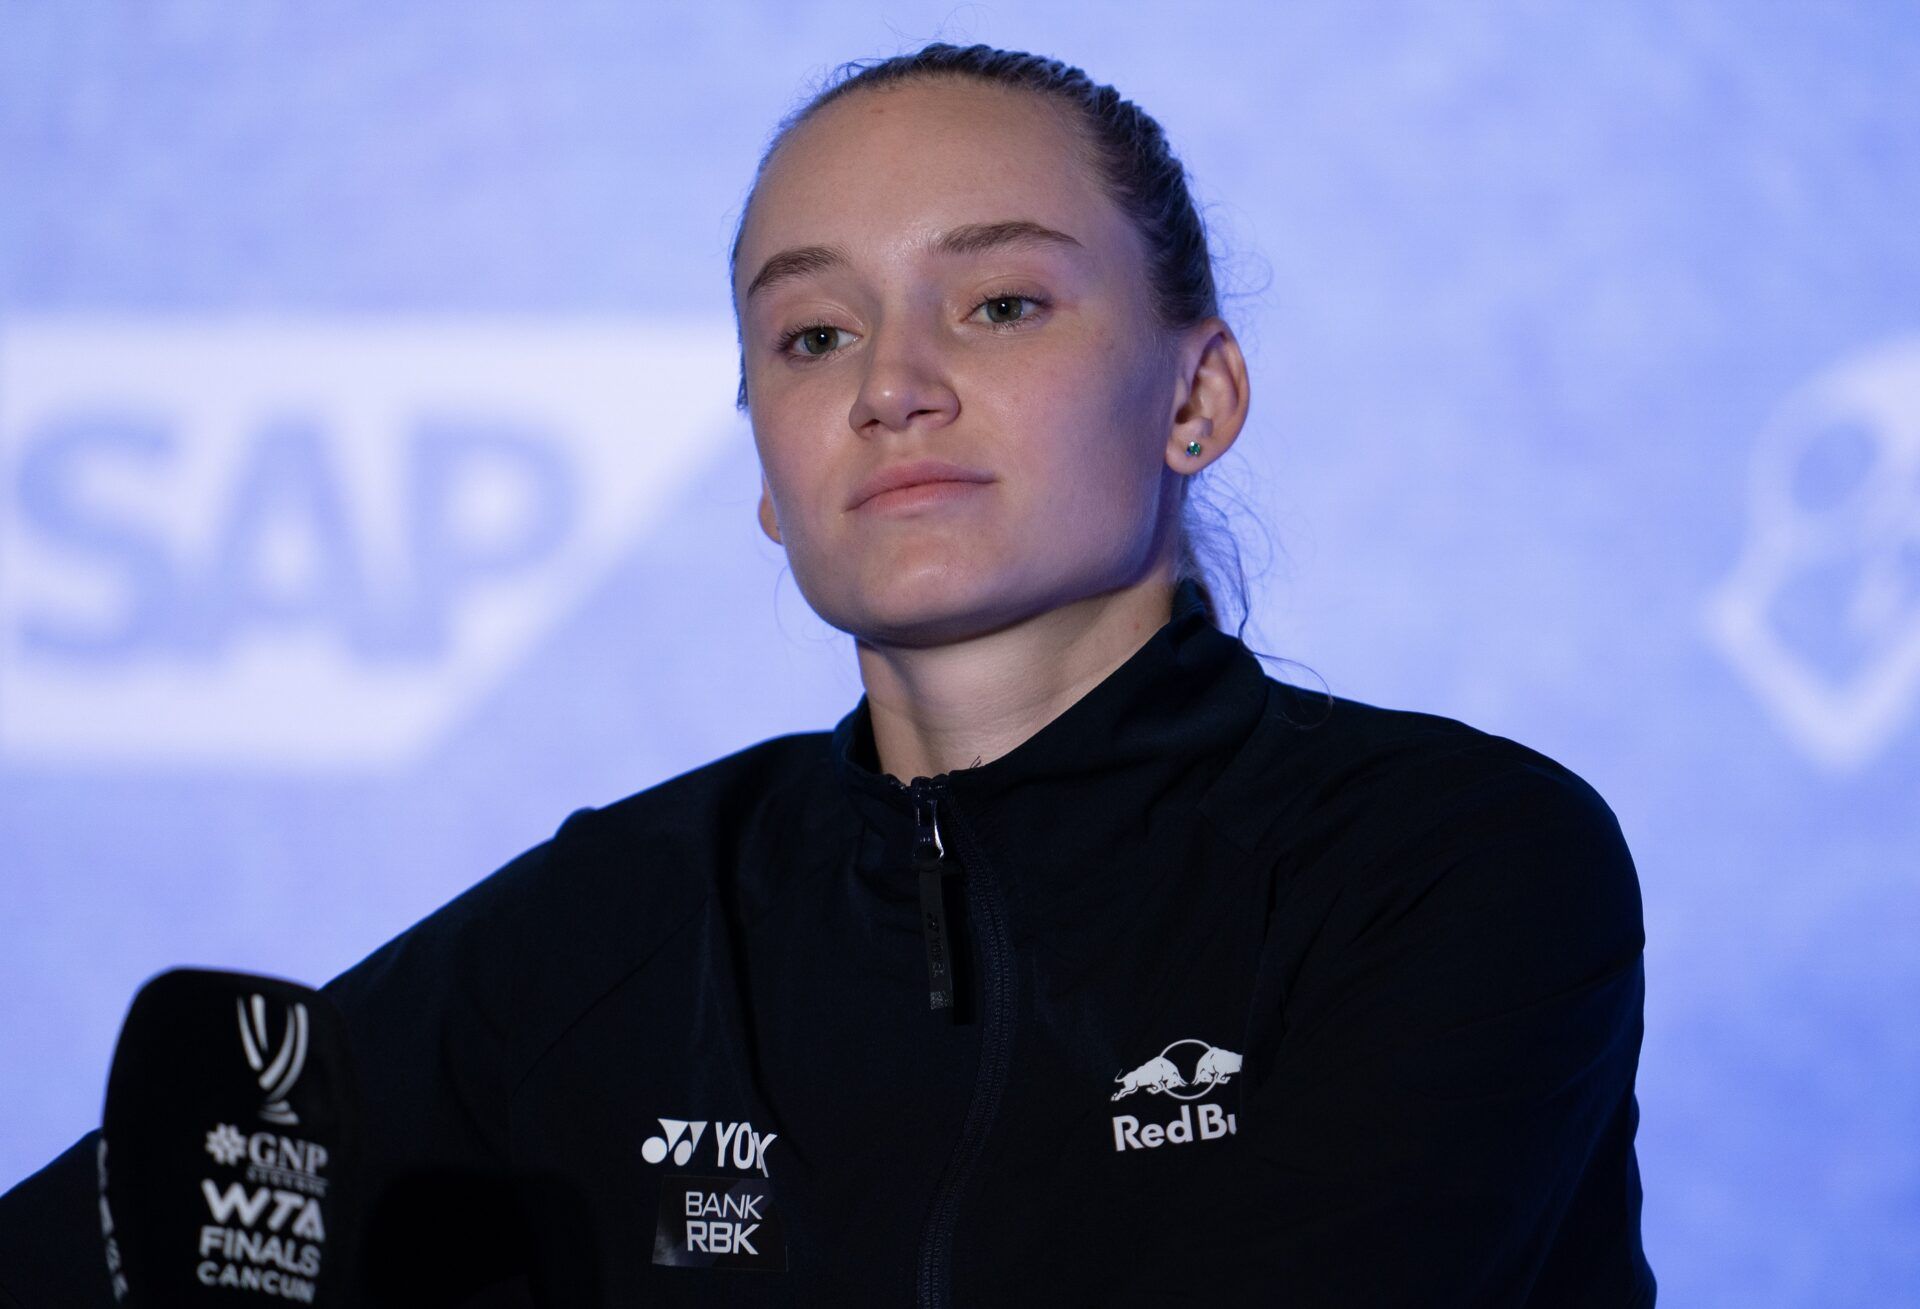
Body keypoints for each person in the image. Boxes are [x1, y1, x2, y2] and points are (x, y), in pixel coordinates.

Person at [0, 41, 1655, 1308]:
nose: (894, 386)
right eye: (814, 335)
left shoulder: (1451, 860)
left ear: (1196, 398)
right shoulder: (620, 918)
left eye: (1000, 303)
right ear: (767, 465)